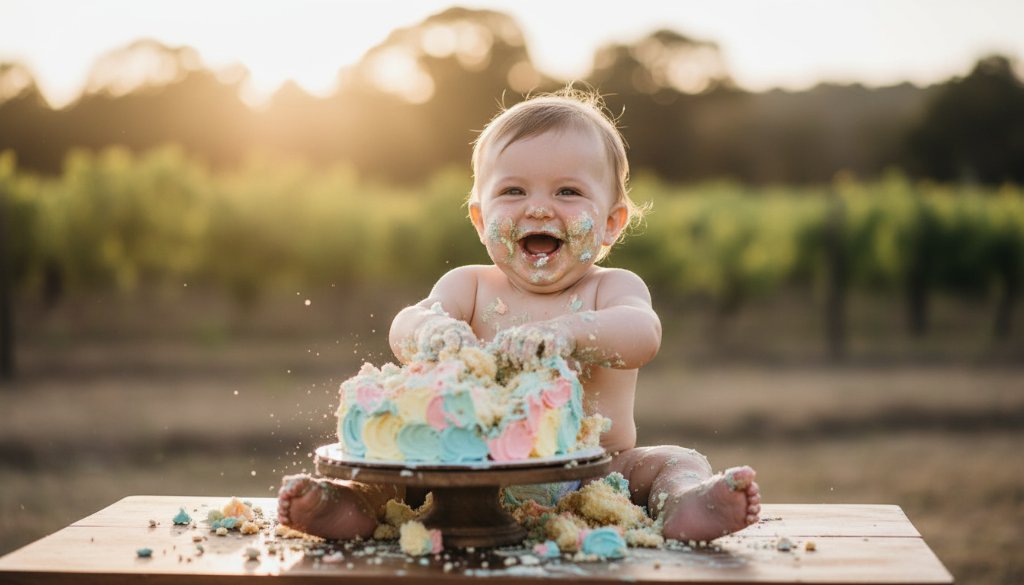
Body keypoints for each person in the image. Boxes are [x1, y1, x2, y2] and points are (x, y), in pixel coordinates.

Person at [278, 88, 760, 543]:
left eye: (568, 192)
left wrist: (568, 334)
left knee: (673, 460)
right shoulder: (469, 285)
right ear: (481, 219)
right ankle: (347, 506)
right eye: (512, 191)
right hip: (463, 472)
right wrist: (432, 330)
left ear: (612, 223)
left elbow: (643, 334)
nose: (538, 208)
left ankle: (686, 504)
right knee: (390, 474)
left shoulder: (610, 289)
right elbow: (405, 325)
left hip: (594, 472)